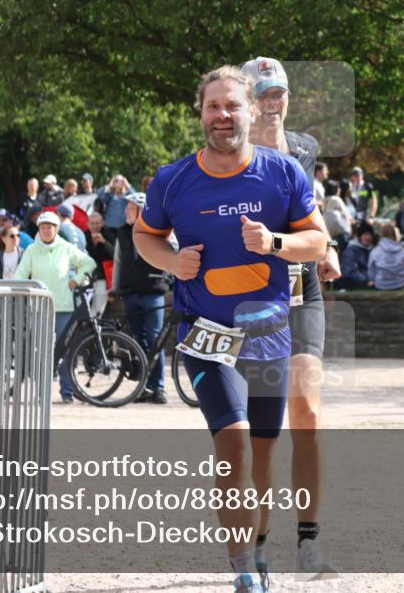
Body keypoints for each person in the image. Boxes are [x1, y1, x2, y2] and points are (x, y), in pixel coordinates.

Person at [133, 65, 327, 593]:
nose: (223, 115)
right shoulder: (173, 180)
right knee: (234, 442)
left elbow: (318, 243)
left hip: (268, 334)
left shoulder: (283, 173)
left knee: (264, 451)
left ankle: (260, 550)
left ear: (251, 110)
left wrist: (275, 244)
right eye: (213, 106)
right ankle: (243, 572)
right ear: (200, 113)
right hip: (205, 333)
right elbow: (144, 236)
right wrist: (171, 263)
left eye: (232, 105)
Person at [241, 56, 341, 582]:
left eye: (278, 91)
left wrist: (326, 245)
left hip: (304, 291)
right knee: (263, 430)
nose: (273, 101)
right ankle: (257, 542)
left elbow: (311, 208)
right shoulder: (229, 157)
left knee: (307, 409)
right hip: (254, 299)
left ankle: (308, 541)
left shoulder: (303, 149)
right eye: (263, 92)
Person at [15, 210, 97, 404]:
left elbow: (89, 263)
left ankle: (66, 392)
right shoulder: (31, 251)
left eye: (50, 227)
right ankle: (41, 393)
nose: (46, 230)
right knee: (41, 351)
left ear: (57, 229)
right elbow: (19, 275)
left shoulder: (67, 248)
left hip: (64, 307)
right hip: (40, 307)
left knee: (66, 351)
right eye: (43, 227)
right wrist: (27, 291)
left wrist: (77, 279)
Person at [112, 192, 171, 404]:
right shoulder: (122, 232)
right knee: (137, 341)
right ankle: (144, 387)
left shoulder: (160, 231)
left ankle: (159, 387)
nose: (126, 212)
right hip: (130, 293)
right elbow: (118, 261)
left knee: (156, 339)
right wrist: (114, 287)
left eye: (130, 208)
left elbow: (173, 251)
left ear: (140, 210)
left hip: (152, 291)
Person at [85, 211, 115, 316]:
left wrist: (104, 242)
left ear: (102, 223)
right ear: (87, 224)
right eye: (92, 223)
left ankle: (95, 327)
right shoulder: (84, 236)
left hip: (103, 278)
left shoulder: (109, 235)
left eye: (97, 223)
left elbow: (116, 255)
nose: (95, 226)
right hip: (86, 277)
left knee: (97, 311)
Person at [367, 222, 404, 290]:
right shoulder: (402, 251)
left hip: (381, 285)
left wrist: (375, 280)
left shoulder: (375, 251)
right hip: (399, 283)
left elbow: (371, 271)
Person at [337, 223, 374, 290]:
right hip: (352, 284)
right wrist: (367, 280)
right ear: (359, 236)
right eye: (365, 234)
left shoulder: (370, 249)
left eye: (370, 235)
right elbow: (349, 271)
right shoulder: (351, 251)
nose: (368, 237)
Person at [321, 180, 352, 250]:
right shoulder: (336, 199)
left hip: (330, 235)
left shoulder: (324, 200)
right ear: (334, 189)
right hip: (341, 234)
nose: (340, 190)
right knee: (342, 251)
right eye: (338, 188)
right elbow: (347, 215)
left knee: (334, 249)